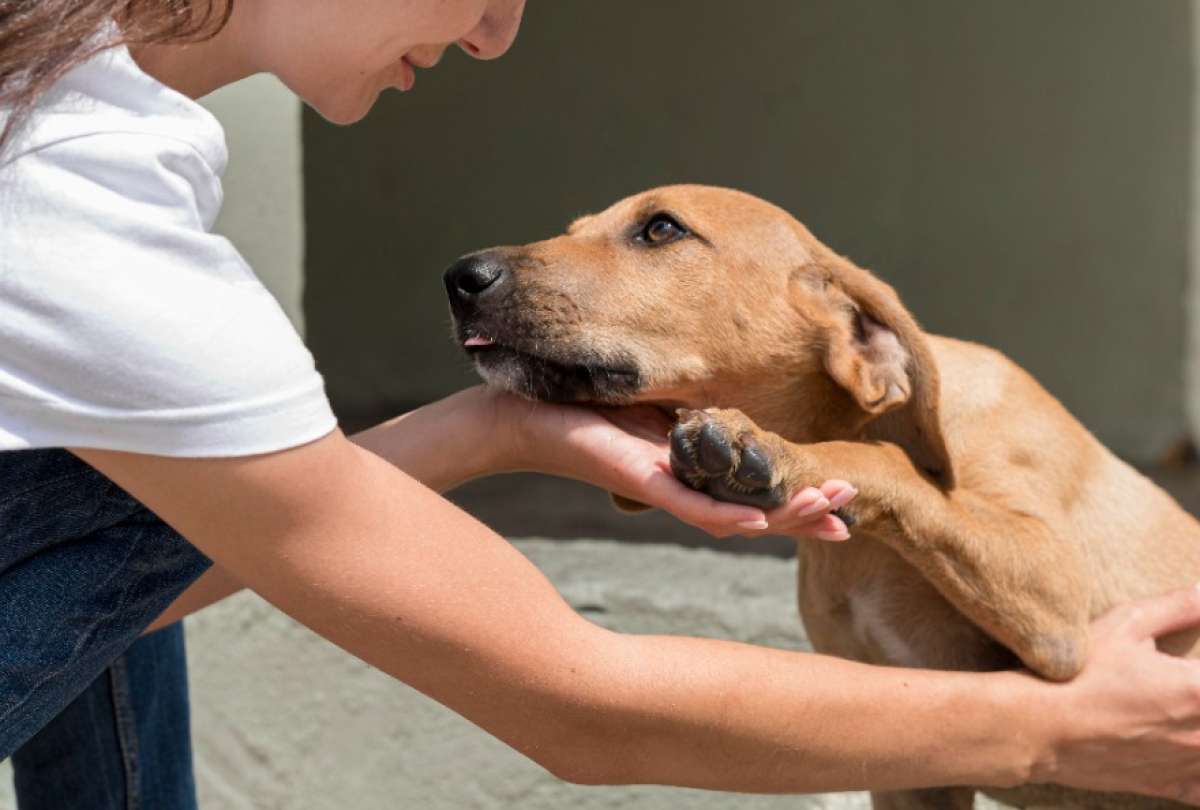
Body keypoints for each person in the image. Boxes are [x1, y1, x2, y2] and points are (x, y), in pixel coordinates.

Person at [2, 1, 1200, 807]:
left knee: (138, 494)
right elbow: (579, 704)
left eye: (652, 236)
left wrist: (506, 428)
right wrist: (1051, 731)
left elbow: (162, 572)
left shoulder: (72, 134)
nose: (497, 32)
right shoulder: (86, 215)